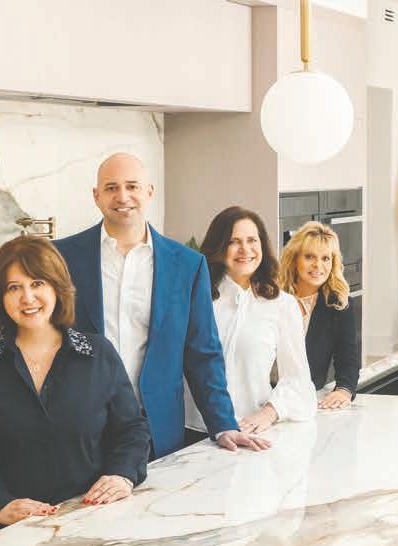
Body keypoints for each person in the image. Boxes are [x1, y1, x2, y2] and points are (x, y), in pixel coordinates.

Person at [0, 236, 150, 546]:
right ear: (0, 297)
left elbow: (131, 429)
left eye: (37, 283)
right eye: (14, 288)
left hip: (87, 525)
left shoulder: (98, 354)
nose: (27, 297)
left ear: (57, 288)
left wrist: (121, 475)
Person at [53, 153, 267, 457]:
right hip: (80, 426)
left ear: (149, 192)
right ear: (96, 196)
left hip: (156, 428)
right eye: (112, 187)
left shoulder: (188, 265)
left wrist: (223, 424)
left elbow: (202, 352)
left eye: (132, 186)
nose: (122, 196)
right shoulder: (61, 257)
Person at [186, 206, 316, 436]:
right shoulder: (195, 297)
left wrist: (270, 412)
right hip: (193, 431)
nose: (245, 249)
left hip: (251, 431)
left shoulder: (282, 305)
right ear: (219, 247)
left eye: (252, 240)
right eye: (233, 242)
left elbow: (298, 380)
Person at [278, 221, 361, 408]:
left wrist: (344, 390)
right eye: (309, 257)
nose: (318, 265)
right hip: (260, 397)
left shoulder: (339, 305)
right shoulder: (272, 298)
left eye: (325, 258)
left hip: (304, 399)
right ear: (295, 258)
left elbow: (348, 359)